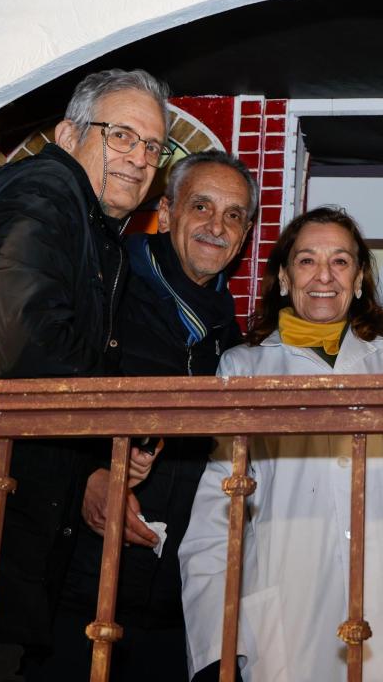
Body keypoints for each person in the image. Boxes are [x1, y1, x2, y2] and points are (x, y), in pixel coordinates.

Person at [0, 69, 172, 682]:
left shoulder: (97, 231)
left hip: (11, 551)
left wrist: (107, 451)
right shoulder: (48, 189)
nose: (139, 158)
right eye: (122, 135)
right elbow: (17, 346)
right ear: (68, 132)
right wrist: (122, 419)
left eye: (154, 147)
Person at [179, 207, 383, 682]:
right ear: (282, 276)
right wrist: (216, 645)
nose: (324, 276)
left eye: (340, 261)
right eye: (306, 260)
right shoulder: (243, 368)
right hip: (287, 614)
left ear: (359, 278)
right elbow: (219, 516)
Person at [34, 151, 257, 682]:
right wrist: (83, 474)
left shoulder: (232, 338)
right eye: (201, 206)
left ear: (246, 234)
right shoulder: (110, 288)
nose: (215, 226)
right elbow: (38, 391)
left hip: (175, 602)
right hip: (79, 587)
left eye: (233, 216)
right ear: (167, 210)